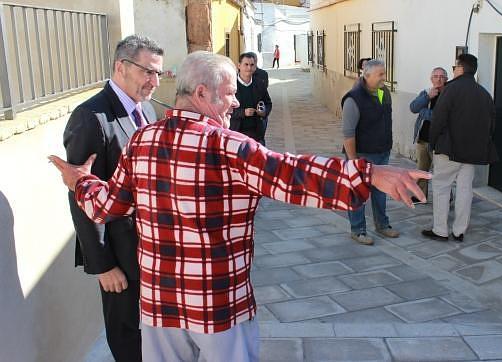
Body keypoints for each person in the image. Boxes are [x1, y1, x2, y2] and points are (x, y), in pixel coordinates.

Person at [49, 51, 429, 362]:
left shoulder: (141, 141)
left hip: (159, 307)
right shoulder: (228, 145)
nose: (235, 101)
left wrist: (79, 180)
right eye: (229, 93)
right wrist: (367, 174)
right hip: (219, 308)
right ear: (202, 93)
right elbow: (292, 174)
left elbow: (108, 205)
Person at [62, 35, 164, 361]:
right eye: (148, 72)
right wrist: (103, 265)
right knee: (128, 341)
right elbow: (79, 193)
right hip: (119, 258)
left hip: (150, 251)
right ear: (121, 66)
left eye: (159, 73)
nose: (154, 81)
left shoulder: (145, 109)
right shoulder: (91, 117)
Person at [423, 53, 497, 243]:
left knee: (441, 188)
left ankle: (440, 230)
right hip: (472, 154)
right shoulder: (484, 94)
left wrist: (432, 143)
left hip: (448, 151)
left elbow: (438, 119)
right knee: (465, 191)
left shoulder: (450, 89)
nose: (453, 70)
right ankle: (459, 231)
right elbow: (491, 125)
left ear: (461, 68)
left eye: (455, 67)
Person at [341, 59, 400, 245]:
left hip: (382, 151)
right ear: (367, 76)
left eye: (384, 73)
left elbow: (381, 113)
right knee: (358, 193)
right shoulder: (353, 98)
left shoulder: (383, 92)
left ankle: (382, 225)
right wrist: (353, 161)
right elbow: (348, 134)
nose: (384, 77)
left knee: (381, 191)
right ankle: (358, 230)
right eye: (380, 74)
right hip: (362, 155)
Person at [409, 67, 448, 202]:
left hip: (439, 141)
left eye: (442, 76)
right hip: (423, 139)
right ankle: (420, 196)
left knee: (441, 172)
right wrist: (427, 97)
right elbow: (413, 108)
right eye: (436, 76)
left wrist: (423, 112)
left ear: (446, 79)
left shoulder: (449, 95)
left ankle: (446, 198)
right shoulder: (426, 92)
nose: (439, 79)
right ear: (431, 79)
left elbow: (441, 118)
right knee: (421, 170)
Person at [230, 52, 272, 144]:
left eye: (252, 65)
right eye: (246, 64)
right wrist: (243, 112)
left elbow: (268, 103)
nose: (249, 68)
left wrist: (264, 112)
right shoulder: (230, 85)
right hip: (236, 133)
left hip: (257, 134)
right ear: (239, 65)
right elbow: (224, 109)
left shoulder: (260, 84)